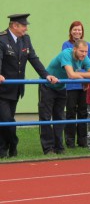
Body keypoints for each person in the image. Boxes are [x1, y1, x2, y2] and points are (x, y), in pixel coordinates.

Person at [0, 14, 58, 158]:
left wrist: (46, 75)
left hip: (16, 89)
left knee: (5, 120)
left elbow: (33, 58)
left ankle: (4, 150)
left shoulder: (25, 39)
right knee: (6, 120)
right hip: (2, 88)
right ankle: (12, 145)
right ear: (14, 26)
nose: (26, 28)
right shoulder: (2, 39)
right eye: (24, 25)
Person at [39, 40, 90, 155]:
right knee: (46, 118)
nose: (84, 54)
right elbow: (71, 75)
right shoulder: (66, 53)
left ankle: (59, 147)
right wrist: (84, 78)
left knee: (60, 118)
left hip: (61, 87)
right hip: (48, 86)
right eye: (81, 51)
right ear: (74, 49)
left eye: (86, 51)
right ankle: (48, 148)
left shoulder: (84, 58)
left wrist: (82, 78)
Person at [62, 21, 90, 149]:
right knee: (70, 112)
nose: (77, 32)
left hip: (84, 85)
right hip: (70, 85)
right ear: (70, 31)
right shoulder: (66, 45)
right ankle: (70, 141)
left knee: (83, 112)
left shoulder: (88, 46)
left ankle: (83, 140)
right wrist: (84, 73)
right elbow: (69, 67)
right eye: (75, 30)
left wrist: (83, 75)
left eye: (79, 30)